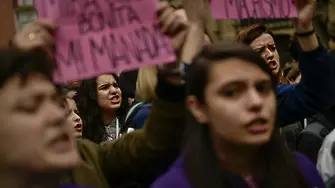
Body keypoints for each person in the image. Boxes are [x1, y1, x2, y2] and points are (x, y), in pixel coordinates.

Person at [0, 2, 192, 187]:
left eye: (57, 103)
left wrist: (171, 70)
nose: (58, 116)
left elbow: (156, 144)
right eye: (31, 106)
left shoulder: (87, 159)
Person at [151, 40, 325, 188]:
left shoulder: (302, 170)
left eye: (262, 88)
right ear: (198, 108)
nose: (256, 102)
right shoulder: (174, 184)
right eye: (232, 92)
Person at [236, 0, 335, 126]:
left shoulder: (283, 95)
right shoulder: (244, 101)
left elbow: (318, 93)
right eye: (260, 51)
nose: (270, 55)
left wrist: (304, 28)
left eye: (272, 48)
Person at [76, 74, 126, 143]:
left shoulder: (130, 121)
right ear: (91, 94)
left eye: (116, 85)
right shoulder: (82, 128)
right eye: (105, 87)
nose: (114, 90)